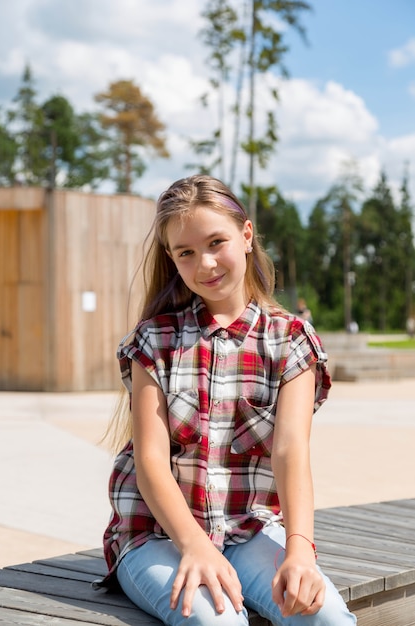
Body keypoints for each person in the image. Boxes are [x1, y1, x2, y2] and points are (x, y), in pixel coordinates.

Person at [99, 175, 357, 625]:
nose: (206, 263)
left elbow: (290, 451)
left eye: (217, 241)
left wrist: (299, 551)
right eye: (187, 252)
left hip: (249, 531)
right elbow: (152, 461)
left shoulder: (291, 341)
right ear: (172, 258)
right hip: (157, 537)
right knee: (218, 620)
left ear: (247, 234)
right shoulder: (154, 341)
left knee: (326, 617)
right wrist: (195, 546)